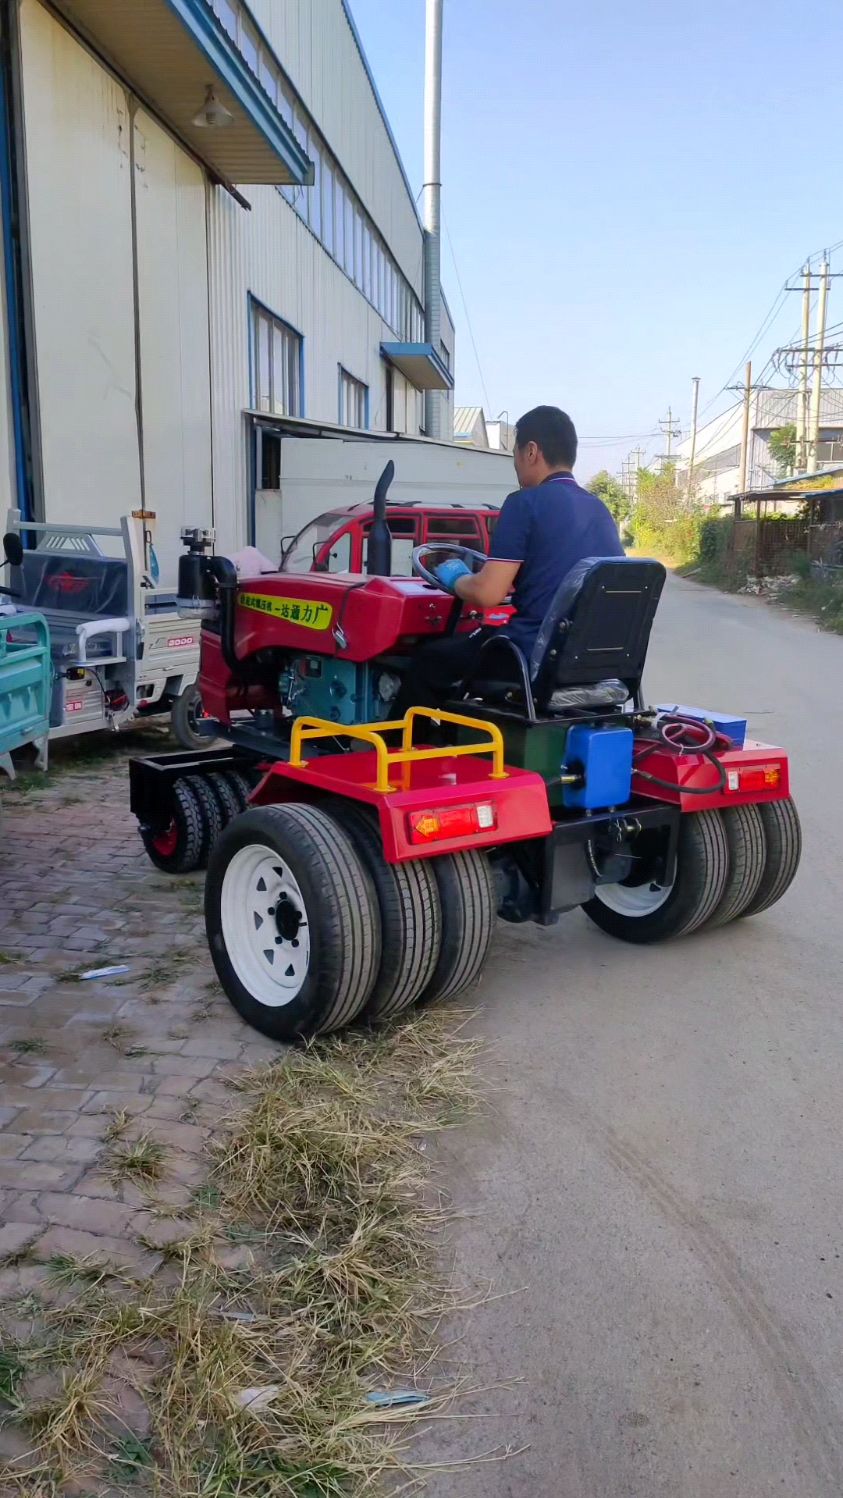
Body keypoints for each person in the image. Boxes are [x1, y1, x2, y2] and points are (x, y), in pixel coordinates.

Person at [394, 404, 624, 713]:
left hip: (529, 656)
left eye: (514, 454)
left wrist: (456, 577)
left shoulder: (524, 503)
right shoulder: (599, 509)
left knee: (430, 660)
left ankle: (395, 753)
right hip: (592, 664)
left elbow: (488, 594)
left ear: (531, 451)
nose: (515, 465)